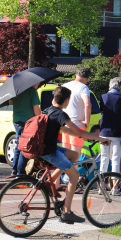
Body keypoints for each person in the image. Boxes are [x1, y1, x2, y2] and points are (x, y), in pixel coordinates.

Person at [41, 86, 110, 223]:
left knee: (73, 156)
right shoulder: (61, 114)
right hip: (50, 152)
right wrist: (100, 139)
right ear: (67, 100)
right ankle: (67, 212)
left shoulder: (48, 111)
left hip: (45, 148)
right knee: (75, 175)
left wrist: (84, 136)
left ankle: (50, 183)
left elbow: (66, 131)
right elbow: (80, 132)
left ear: (54, 98)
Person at [7, 82, 41, 178]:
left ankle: (14, 170)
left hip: (17, 120)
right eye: (38, 82)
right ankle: (21, 173)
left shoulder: (17, 91)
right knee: (25, 147)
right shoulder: (32, 91)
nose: (39, 83)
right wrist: (42, 118)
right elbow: (36, 110)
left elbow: (10, 102)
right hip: (27, 122)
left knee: (19, 146)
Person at [100, 77, 121, 181]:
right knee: (116, 159)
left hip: (104, 131)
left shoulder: (103, 97)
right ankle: (115, 188)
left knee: (104, 158)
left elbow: (102, 112)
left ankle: (101, 186)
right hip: (117, 132)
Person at [62, 67, 92, 152]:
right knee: (75, 157)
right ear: (87, 78)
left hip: (65, 123)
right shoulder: (83, 87)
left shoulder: (65, 86)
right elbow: (87, 104)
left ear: (76, 75)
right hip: (77, 125)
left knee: (66, 156)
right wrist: (87, 121)